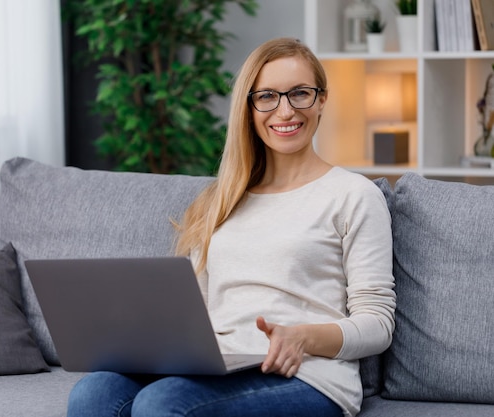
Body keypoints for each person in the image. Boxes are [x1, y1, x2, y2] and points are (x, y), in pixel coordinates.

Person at [66, 37, 396, 417]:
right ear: (250, 108)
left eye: (300, 94)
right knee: (93, 392)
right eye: (267, 96)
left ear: (322, 99)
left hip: (307, 375)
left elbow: (377, 323)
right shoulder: (222, 199)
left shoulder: (352, 194)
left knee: (163, 403)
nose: (285, 111)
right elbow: (193, 311)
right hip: (219, 366)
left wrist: (304, 337)